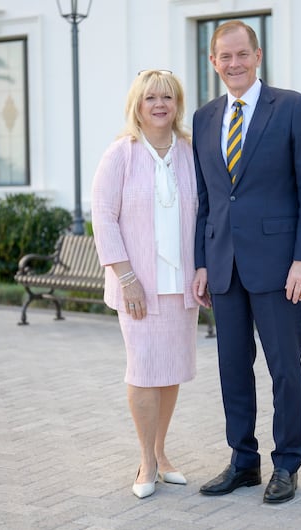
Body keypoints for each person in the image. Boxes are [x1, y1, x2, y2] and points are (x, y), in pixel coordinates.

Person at [191, 20, 301, 504]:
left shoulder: (291, 107)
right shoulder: (204, 118)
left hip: (279, 266)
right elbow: (206, 199)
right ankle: (243, 461)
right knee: (232, 367)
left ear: (258, 55)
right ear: (212, 61)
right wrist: (201, 262)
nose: (234, 64)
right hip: (224, 265)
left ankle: (287, 463)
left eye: (241, 54)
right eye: (224, 57)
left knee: (284, 367)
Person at [91, 69, 199, 499]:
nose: (160, 104)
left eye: (168, 97)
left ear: (177, 105)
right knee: (142, 369)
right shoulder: (122, 153)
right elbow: (103, 217)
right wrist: (126, 277)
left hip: (180, 284)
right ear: (137, 103)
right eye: (151, 97)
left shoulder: (190, 151)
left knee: (169, 370)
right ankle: (146, 460)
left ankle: (162, 452)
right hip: (137, 285)